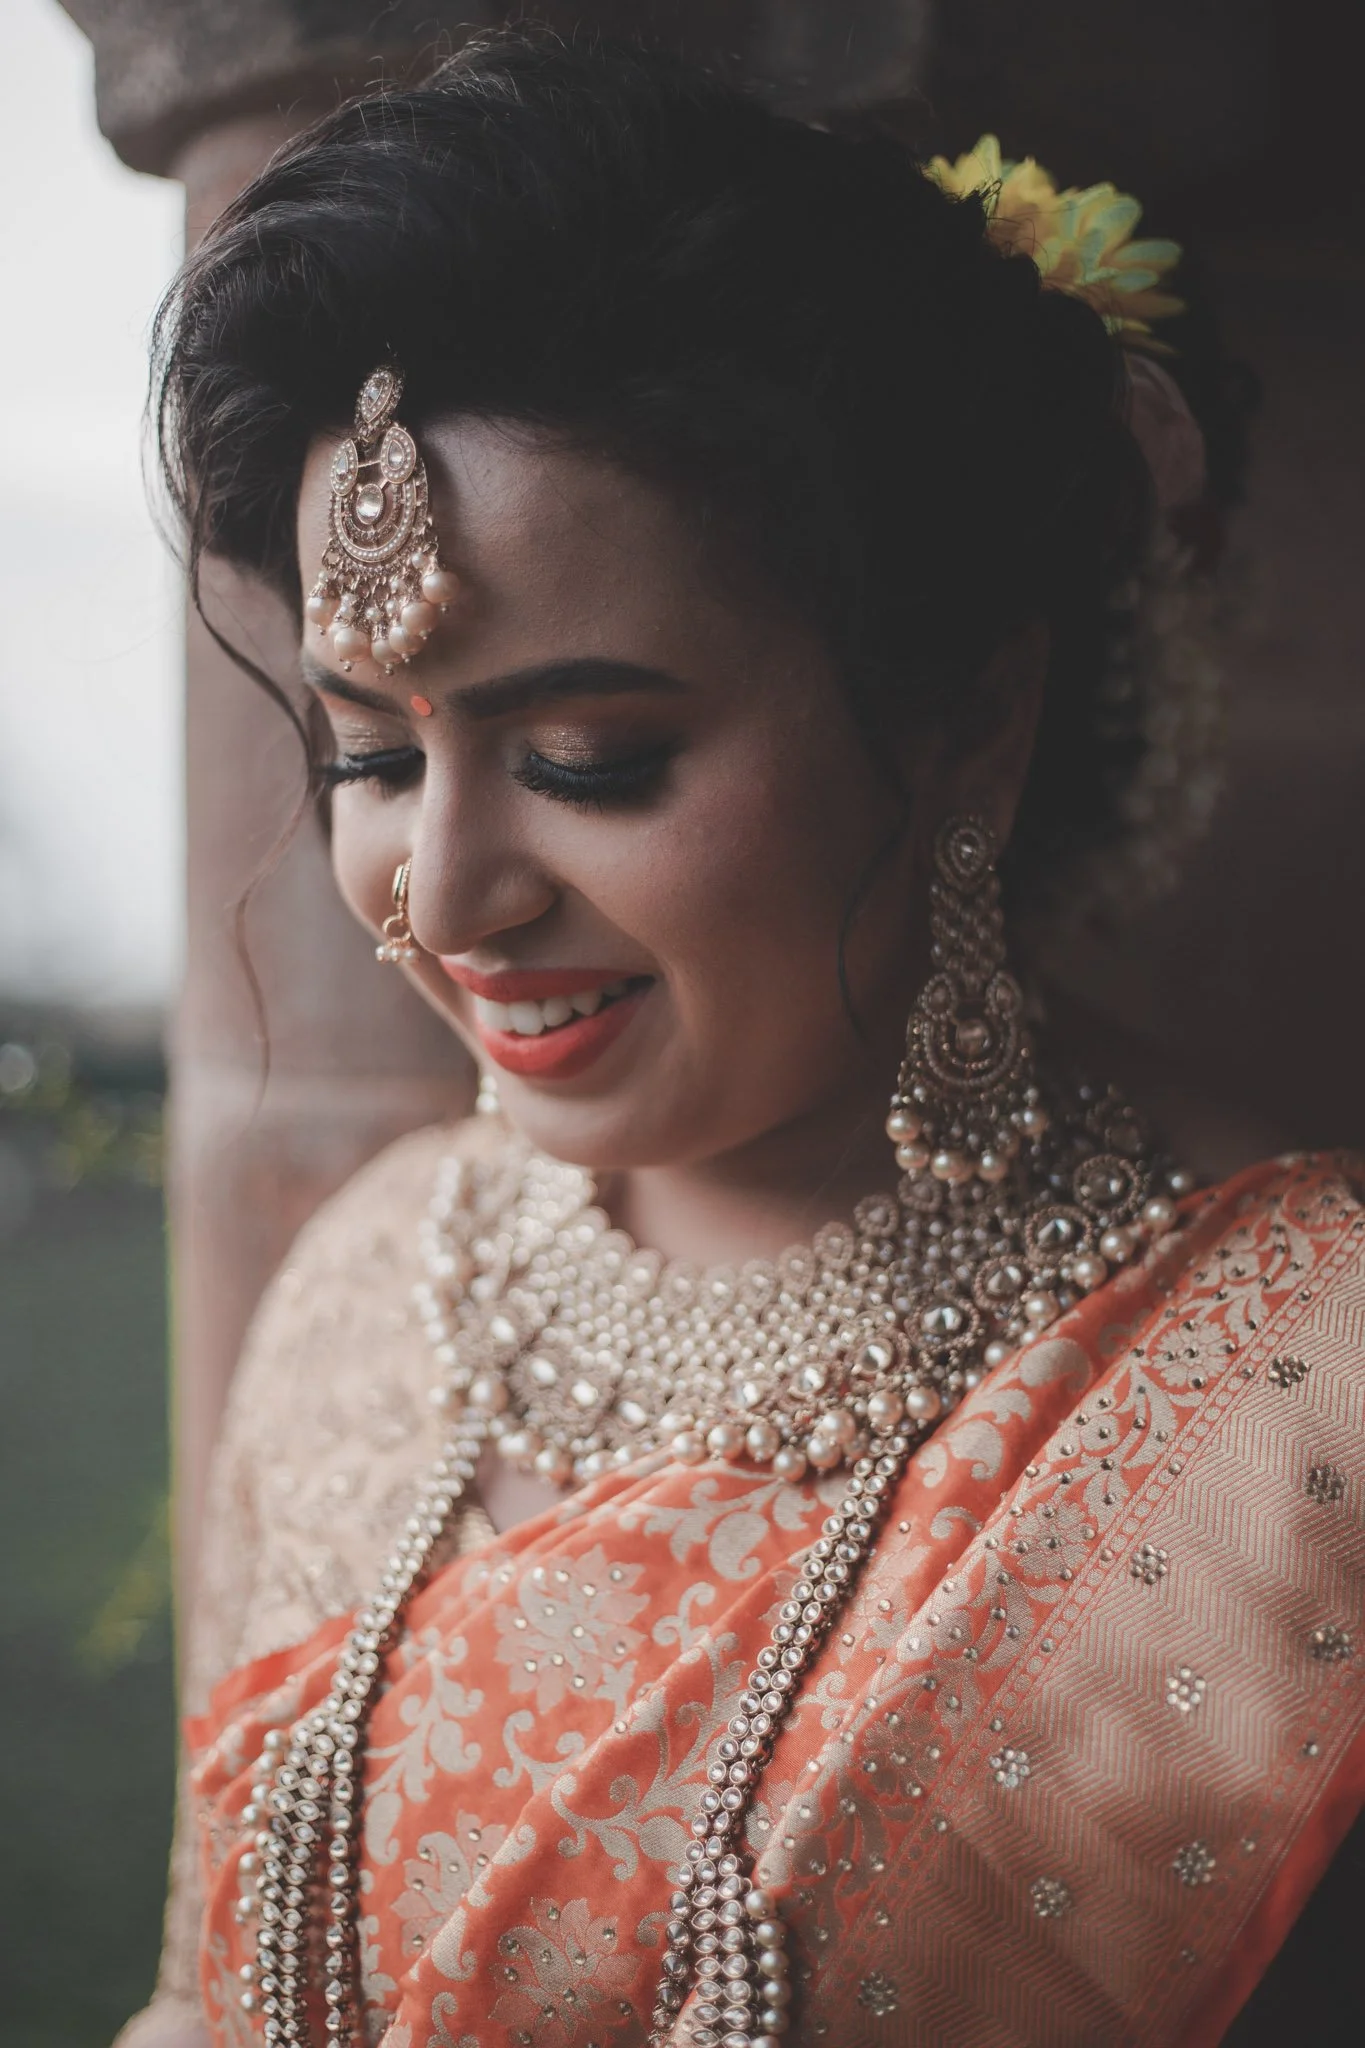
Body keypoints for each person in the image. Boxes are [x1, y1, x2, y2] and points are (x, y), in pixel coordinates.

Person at [121, 29, 1363, 2048]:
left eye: (589, 759)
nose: (448, 896)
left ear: (966, 720)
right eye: (369, 759)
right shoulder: (375, 1273)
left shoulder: (1300, 1402)